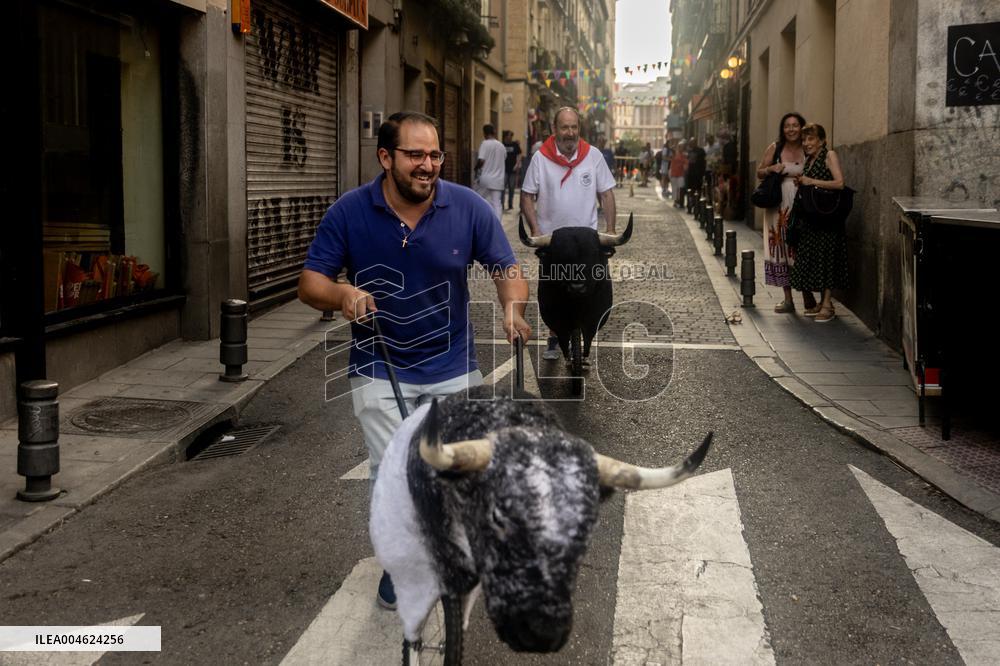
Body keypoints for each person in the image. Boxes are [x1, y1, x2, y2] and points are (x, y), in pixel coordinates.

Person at [297, 110, 531, 610]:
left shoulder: (466, 207)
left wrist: (513, 308)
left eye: (435, 155)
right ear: (385, 157)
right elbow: (309, 282)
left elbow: (506, 266)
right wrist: (342, 295)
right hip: (379, 364)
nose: (428, 165)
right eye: (415, 155)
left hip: (452, 363)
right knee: (395, 470)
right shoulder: (349, 212)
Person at [522, 106, 617, 361]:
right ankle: (555, 334)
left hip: (586, 242)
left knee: (589, 290)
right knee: (554, 292)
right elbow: (527, 196)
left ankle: (585, 333)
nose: (570, 132)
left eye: (574, 127)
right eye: (564, 127)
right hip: (555, 244)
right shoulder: (540, 158)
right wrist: (535, 229)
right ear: (555, 129)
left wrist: (609, 230)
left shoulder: (593, 155)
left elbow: (606, 193)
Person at [756, 112, 817, 313]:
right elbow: (759, 172)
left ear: (801, 128)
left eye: (795, 125)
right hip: (778, 205)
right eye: (787, 126)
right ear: (783, 130)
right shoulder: (775, 148)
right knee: (781, 247)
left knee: (801, 246)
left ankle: (807, 292)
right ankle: (788, 299)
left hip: (802, 204)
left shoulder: (808, 148)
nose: (791, 129)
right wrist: (772, 168)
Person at [790, 123, 848, 322]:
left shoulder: (829, 155)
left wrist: (811, 182)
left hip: (828, 218)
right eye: (804, 140)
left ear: (822, 140)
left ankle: (827, 304)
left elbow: (840, 183)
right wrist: (803, 182)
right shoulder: (810, 160)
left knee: (828, 259)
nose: (806, 143)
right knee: (815, 260)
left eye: (811, 139)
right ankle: (823, 303)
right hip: (813, 219)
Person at [475, 123, 507, 220]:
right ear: (494, 132)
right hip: (498, 180)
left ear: (484, 133)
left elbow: (481, 160)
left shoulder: (485, 143)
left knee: (479, 200)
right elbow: (504, 158)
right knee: (497, 203)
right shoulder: (501, 146)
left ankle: (480, 220)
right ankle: (498, 225)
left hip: (486, 178)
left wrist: (476, 168)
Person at [501, 129, 523, 211]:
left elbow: (520, 154)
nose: (511, 137)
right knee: (502, 188)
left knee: (511, 188)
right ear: (506, 136)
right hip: (504, 170)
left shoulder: (515, 145)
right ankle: (502, 204)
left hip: (512, 170)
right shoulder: (502, 145)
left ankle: (510, 204)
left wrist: (517, 164)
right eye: (510, 135)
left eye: (511, 136)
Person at [685, 137, 706, 211]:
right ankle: (691, 203)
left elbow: (703, 162)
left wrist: (703, 173)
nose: (691, 144)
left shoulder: (701, 151)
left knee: (698, 189)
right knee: (691, 189)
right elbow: (687, 162)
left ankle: (697, 204)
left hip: (698, 174)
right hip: (691, 174)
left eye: (692, 142)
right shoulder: (689, 152)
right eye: (690, 143)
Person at [669, 139, 688, 208]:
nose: (681, 148)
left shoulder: (685, 155)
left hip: (681, 174)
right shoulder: (674, 154)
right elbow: (671, 149)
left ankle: (680, 201)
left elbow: (686, 166)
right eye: (680, 147)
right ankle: (675, 201)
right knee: (675, 188)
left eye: (682, 147)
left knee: (681, 187)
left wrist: (685, 167)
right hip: (674, 173)